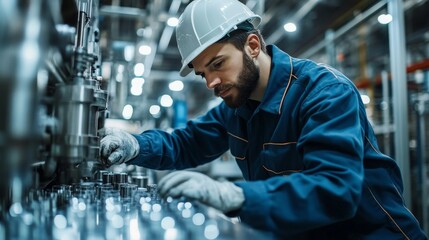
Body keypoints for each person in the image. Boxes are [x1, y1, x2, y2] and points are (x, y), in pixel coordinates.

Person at [99, 0, 428, 239]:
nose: (211, 82)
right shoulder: (237, 107)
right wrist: (133, 145)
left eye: (217, 64)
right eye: (203, 74)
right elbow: (187, 142)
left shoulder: (325, 93)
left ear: (253, 45)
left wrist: (237, 196)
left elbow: (335, 189)